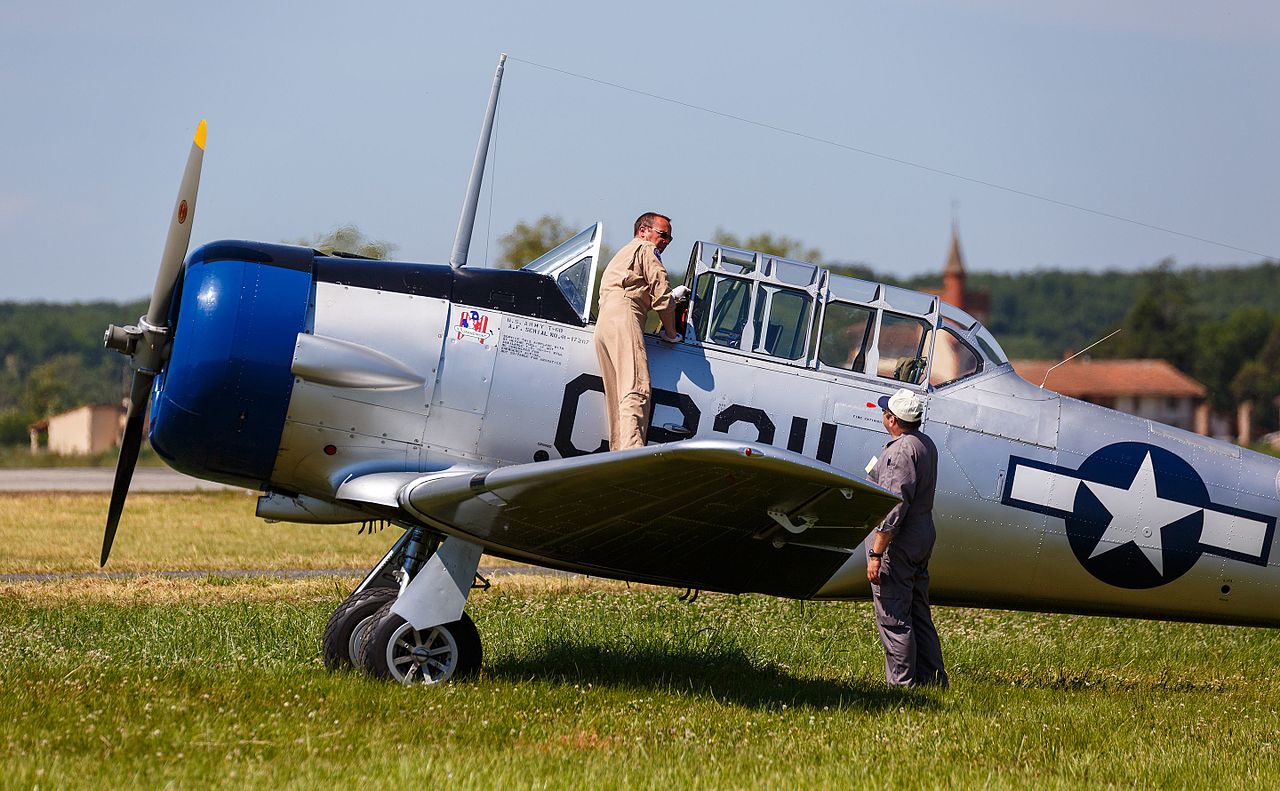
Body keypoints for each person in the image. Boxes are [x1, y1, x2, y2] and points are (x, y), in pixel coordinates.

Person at [866, 388, 948, 687]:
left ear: (893, 420)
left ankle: (901, 687)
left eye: (886, 412)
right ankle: (934, 680)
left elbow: (893, 507)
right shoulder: (925, 443)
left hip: (899, 542)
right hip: (922, 535)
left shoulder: (900, 452)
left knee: (893, 616)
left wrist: (876, 555)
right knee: (918, 612)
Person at [593, 212, 688, 450]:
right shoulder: (646, 248)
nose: (665, 241)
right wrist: (671, 332)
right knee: (636, 388)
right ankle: (632, 452)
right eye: (663, 234)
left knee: (617, 398)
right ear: (643, 230)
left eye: (670, 239)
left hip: (605, 321)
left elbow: (638, 288)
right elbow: (662, 297)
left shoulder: (623, 253)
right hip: (625, 315)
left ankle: (617, 454)